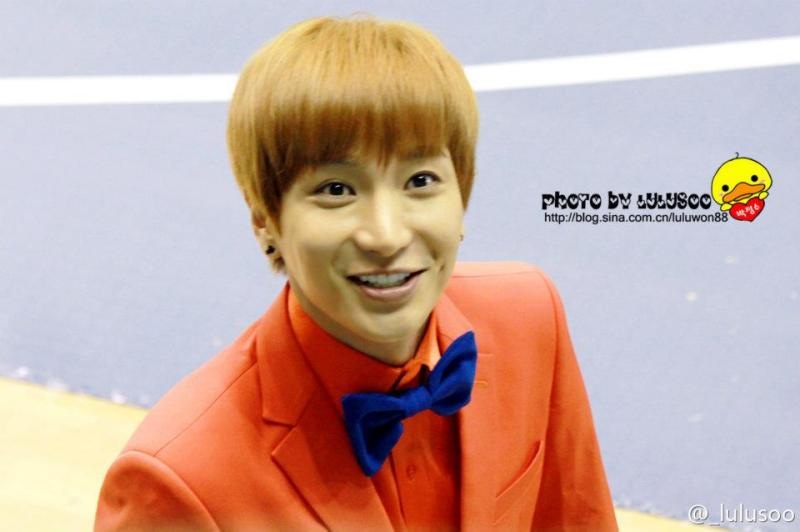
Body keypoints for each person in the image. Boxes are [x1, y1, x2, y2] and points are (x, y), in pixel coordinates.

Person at [94, 15, 617, 531]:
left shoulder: (529, 319)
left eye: (420, 180)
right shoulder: (180, 481)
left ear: (462, 194)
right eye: (336, 190)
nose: (386, 236)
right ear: (265, 221)